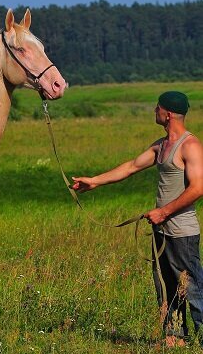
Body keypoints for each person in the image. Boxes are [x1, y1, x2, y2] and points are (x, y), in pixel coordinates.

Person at [72, 91, 203, 346]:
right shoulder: (161, 145)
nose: (155, 111)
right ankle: (175, 337)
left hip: (182, 232)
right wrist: (94, 182)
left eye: (158, 108)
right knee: (166, 285)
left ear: (168, 114)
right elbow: (131, 166)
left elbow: (198, 188)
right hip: (162, 230)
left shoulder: (190, 146)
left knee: (194, 286)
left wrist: (164, 212)